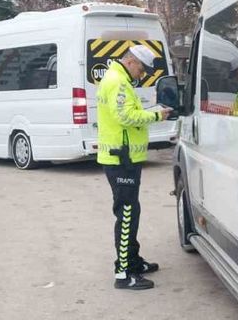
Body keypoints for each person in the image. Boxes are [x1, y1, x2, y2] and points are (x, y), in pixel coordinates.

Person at [97, 44, 171, 290]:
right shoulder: (118, 82)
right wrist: (156, 115)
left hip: (124, 157)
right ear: (131, 62)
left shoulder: (118, 79)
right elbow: (126, 116)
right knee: (127, 214)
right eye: (142, 69)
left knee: (131, 211)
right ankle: (124, 273)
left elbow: (127, 113)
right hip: (122, 159)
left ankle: (133, 261)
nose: (143, 74)